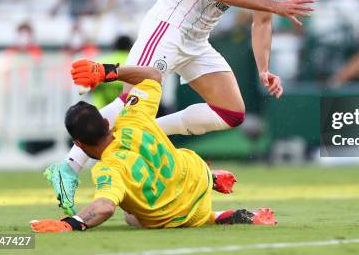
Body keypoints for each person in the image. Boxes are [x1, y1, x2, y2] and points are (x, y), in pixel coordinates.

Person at [45, 0, 314, 215]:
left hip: (198, 38)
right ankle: (67, 168)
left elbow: (263, 21)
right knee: (132, 101)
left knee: (231, 113)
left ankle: (150, 132)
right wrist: (278, 5)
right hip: (170, 25)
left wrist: (263, 69)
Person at [31, 60, 275, 232]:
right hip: (193, 175)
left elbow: (104, 208)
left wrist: (71, 223)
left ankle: (222, 215)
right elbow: (154, 76)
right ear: (107, 121)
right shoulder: (133, 116)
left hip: (185, 215)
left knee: (131, 215)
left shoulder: (107, 170)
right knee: (168, 157)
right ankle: (209, 177)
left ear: (78, 144)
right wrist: (106, 72)